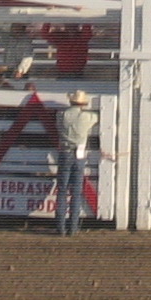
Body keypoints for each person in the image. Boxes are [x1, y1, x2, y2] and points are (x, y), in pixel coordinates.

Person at [52, 88, 100, 236]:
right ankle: (73, 228)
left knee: (62, 190)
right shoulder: (87, 117)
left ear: (71, 101)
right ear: (83, 104)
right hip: (79, 154)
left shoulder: (61, 115)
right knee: (77, 191)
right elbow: (96, 117)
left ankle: (60, 228)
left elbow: (58, 124)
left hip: (65, 153)